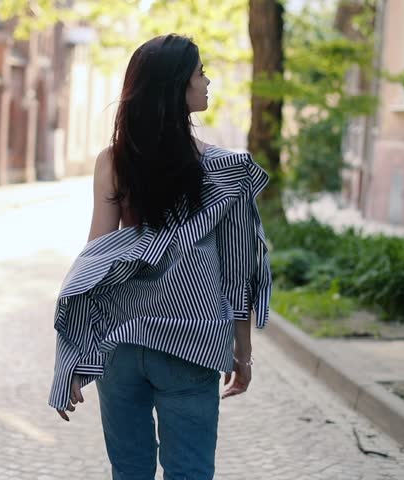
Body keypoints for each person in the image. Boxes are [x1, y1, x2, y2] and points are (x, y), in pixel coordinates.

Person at [48, 34, 273, 480]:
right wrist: (242, 351)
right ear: (177, 86)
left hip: (120, 341)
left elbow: (96, 262)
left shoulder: (113, 162)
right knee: (189, 472)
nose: (207, 80)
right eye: (199, 72)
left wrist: (73, 354)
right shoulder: (227, 171)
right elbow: (238, 272)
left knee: (128, 472)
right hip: (192, 340)